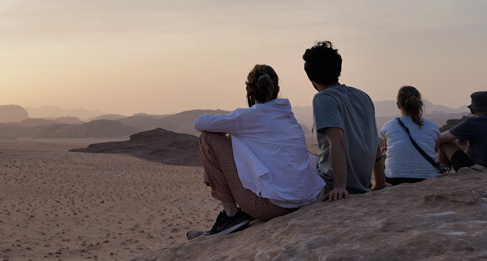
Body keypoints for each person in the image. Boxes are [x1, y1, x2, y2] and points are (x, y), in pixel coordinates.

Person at [187, 64, 324, 239]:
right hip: (304, 199)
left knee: (209, 138)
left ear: (248, 90)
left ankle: (231, 215)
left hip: (270, 207)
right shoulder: (288, 116)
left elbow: (199, 123)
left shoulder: (249, 117)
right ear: (277, 88)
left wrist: (233, 122)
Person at [303, 41, 378, 201]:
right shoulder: (363, 96)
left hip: (332, 183)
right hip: (363, 183)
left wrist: (339, 187)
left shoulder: (323, 99)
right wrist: (381, 181)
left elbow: (337, 142)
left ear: (310, 77)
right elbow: (375, 142)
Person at [372, 86, 443, 188]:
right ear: (420, 103)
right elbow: (435, 151)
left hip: (394, 179)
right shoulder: (432, 126)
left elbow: (387, 150)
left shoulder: (389, 126)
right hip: (427, 178)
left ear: (398, 105)